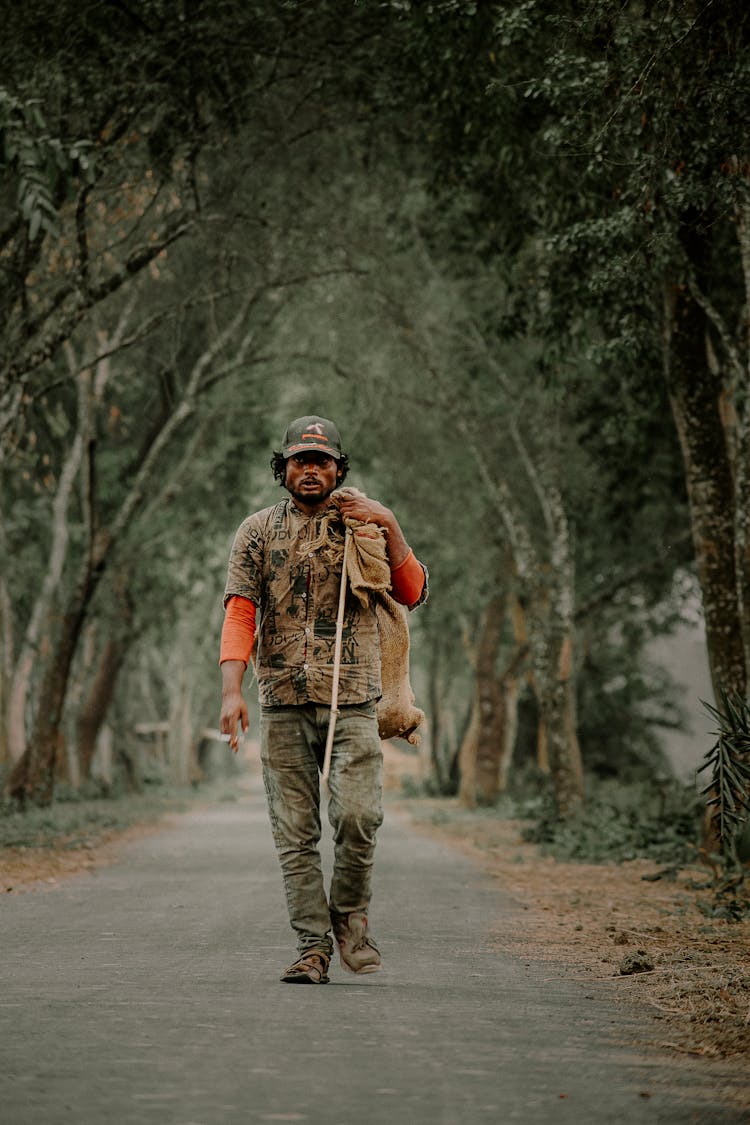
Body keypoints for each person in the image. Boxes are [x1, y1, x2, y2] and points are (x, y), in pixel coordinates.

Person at [219, 415, 428, 984]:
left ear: (339, 469)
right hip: (281, 700)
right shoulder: (256, 531)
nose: (310, 470)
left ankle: (351, 919)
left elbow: (411, 593)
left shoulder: (365, 526)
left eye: (321, 461)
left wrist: (388, 521)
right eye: (299, 461)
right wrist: (232, 690)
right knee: (295, 835)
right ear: (282, 470)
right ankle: (312, 949)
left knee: (359, 817)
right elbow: (241, 610)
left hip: (353, 699)